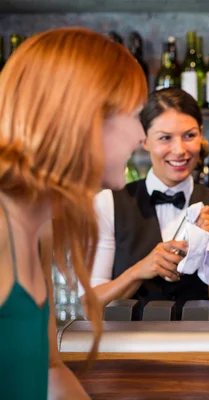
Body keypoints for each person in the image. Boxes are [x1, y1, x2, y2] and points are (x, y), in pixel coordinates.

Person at [0, 27, 147, 399]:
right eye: (134, 114)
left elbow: (49, 369)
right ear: (84, 118)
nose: (141, 135)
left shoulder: (39, 228)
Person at [81, 88, 209, 320]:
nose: (179, 150)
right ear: (145, 140)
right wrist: (139, 270)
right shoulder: (108, 203)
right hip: (127, 352)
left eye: (189, 136)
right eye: (165, 138)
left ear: (201, 134)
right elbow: (90, 307)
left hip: (203, 351)